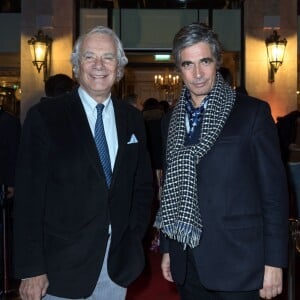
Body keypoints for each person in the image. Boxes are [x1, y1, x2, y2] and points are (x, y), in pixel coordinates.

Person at [13, 25, 153, 300]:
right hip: (58, 269)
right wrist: (32, 269)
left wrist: (132, 236)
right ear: (76, 66)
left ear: (120, 67)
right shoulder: (45, 117)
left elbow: (142, 186)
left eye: (108, 57)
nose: (99, 65)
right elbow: (28, 199)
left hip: (116, 264)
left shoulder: (132, 118)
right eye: (90, 57)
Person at [155, 23, 289, 300]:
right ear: (179, 69)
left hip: (241, 263)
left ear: (217, 61)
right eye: (188, 64)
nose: (198, 73)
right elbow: (172, 187)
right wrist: (169, 247)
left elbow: (274, 195)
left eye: (204, 61)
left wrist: (275, 262)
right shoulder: (170, 121)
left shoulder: (252, 113)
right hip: (187, 261)